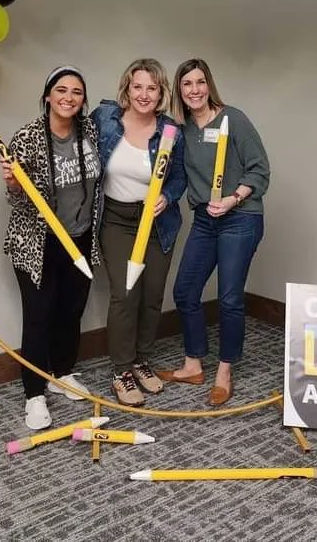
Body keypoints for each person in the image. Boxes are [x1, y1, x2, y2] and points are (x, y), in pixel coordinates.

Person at [161, 58, 269, 406]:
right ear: (179, 90)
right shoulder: (182, 130)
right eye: (187, 84)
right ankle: (193, 364)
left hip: (240, 217)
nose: (194, 90)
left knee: (229, 298)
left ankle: (224, 371)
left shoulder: (233, 119)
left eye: (200, 82)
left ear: (209, 85)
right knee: (185, 291)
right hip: (205, 220)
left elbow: (260, 170)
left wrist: (234, 198)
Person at [0, 66, 101, 430]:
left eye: (77, 92)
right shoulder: (27, 137)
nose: (68, 97)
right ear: (47, 96)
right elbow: (15, 200)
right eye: (61, 90)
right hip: (38, 243)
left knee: (71, 311)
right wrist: (13, 184)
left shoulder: (89, 130)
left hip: (81, 237)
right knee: (39, 315)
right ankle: (34, 394)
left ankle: (62, 373)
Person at [91, 59, 186, 406]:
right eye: (138, 87)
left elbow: (179, 176)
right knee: (125, 294)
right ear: (127, 89)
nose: (144, 95)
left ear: (161, 93)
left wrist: (167, 195)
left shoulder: (171, 131)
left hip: (158, 222)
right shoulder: (105, 119)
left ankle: (141, 360)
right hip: (116, 220)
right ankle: (121, 370)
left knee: (152, 295)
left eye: (152, 88)